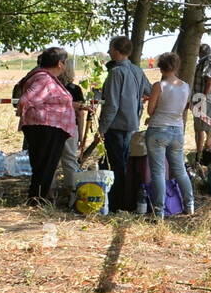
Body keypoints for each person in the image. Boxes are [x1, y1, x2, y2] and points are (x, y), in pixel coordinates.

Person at [97, 36, 151, 211]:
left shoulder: (116, 72)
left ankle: (116, 204)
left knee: (116, 167)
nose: (108, 51)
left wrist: (102, 128)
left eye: (110, 48)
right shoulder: (137, 70)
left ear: (117, 51)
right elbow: (150, 91)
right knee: (126, 165)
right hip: (132, 126)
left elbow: (112, 105)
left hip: (116, 126)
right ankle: (128, 201)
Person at [18, 48, 76, 206]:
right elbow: (25, 99)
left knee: (44, 168)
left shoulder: (47, 78)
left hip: (49, 128)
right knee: (44, 168)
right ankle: (37, 202)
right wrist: (23, 111)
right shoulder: (43, 79)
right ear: (60, 64)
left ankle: (38, 201)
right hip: (45, 128)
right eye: (65, 62)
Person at [145, 51, 195, 217]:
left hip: (158, 130)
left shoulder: (159, 86)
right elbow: (181, 109)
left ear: (160, 67)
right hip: (177, 131)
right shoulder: (185, 86)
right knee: (180, 170)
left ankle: (159, 211)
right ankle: (190, 205)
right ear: (176, 66)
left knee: (158, 172)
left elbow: (151, 110)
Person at [56, 55, 91, 200]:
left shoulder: (53, 87)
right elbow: (81, 115)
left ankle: (49, 191)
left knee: (52, 160)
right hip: (71, 128)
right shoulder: (75, 89)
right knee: (70, 160)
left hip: (52, 126)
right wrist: (81, 135)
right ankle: (71, 192)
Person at [192, 44, 211, 150]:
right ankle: (199, 153)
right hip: (199, 98)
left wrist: (203, 98)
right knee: (199, 127)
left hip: (203, 99)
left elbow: (210, 81)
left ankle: (206, 152)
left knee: (207, 128)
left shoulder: (208, 62)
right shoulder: (204, 62)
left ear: (200, 52)